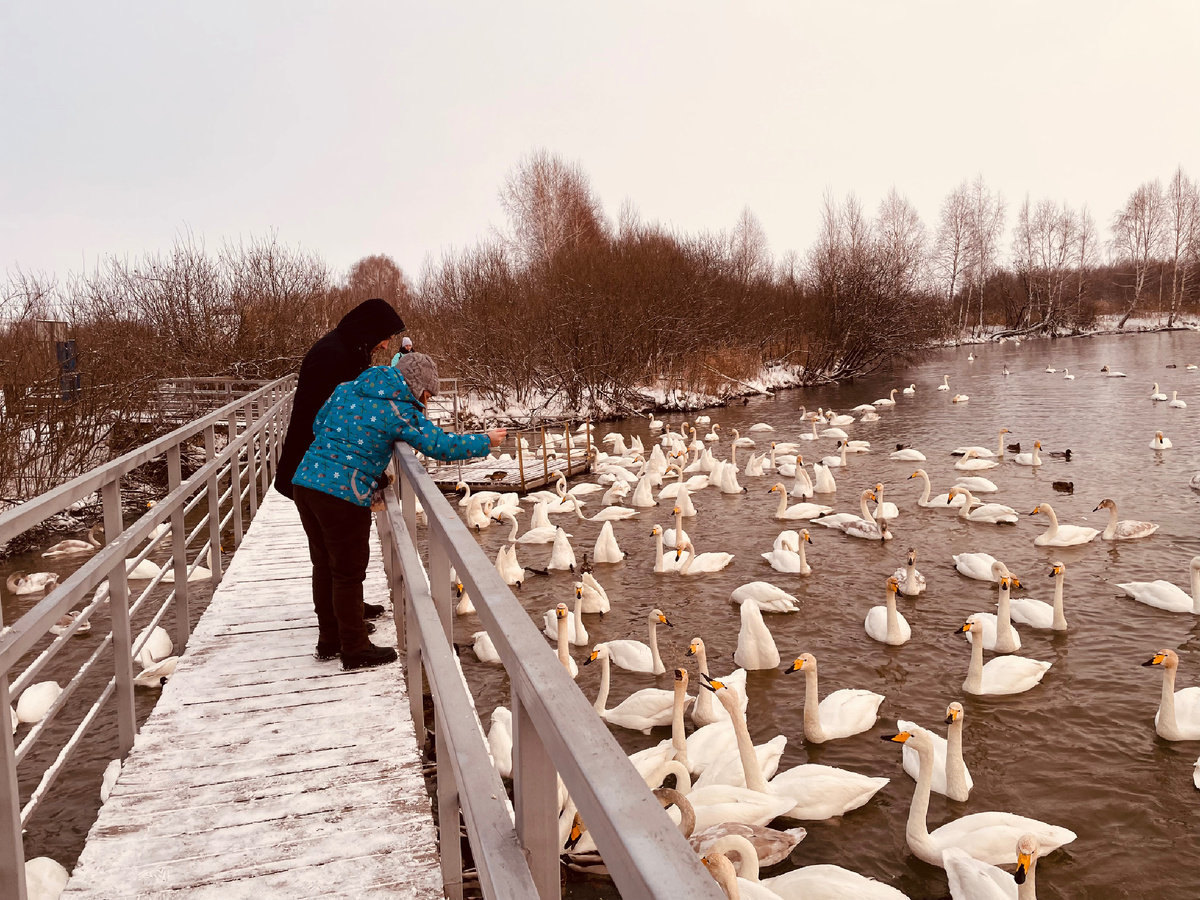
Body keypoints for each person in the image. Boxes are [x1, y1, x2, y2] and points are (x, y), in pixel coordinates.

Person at [292, 352, 505, 670]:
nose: (428, 401)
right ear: (416, 386)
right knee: (348, 573)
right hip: (341, 493)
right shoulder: (399, 409)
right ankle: (354, 648)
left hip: (306, 483)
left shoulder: (347, 388)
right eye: (428, 394)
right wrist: (485, 441)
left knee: (324, 565)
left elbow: (319, 423)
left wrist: (363, 455)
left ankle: (330, 639)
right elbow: (441, 446)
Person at [275, 298, 404, 503]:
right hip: (319, 475)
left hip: (319, 473)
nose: (386, 346)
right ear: (371, 329)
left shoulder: (349, 350)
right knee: (337, 534)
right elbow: (326, 419)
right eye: (385, 337)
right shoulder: (333, 355)